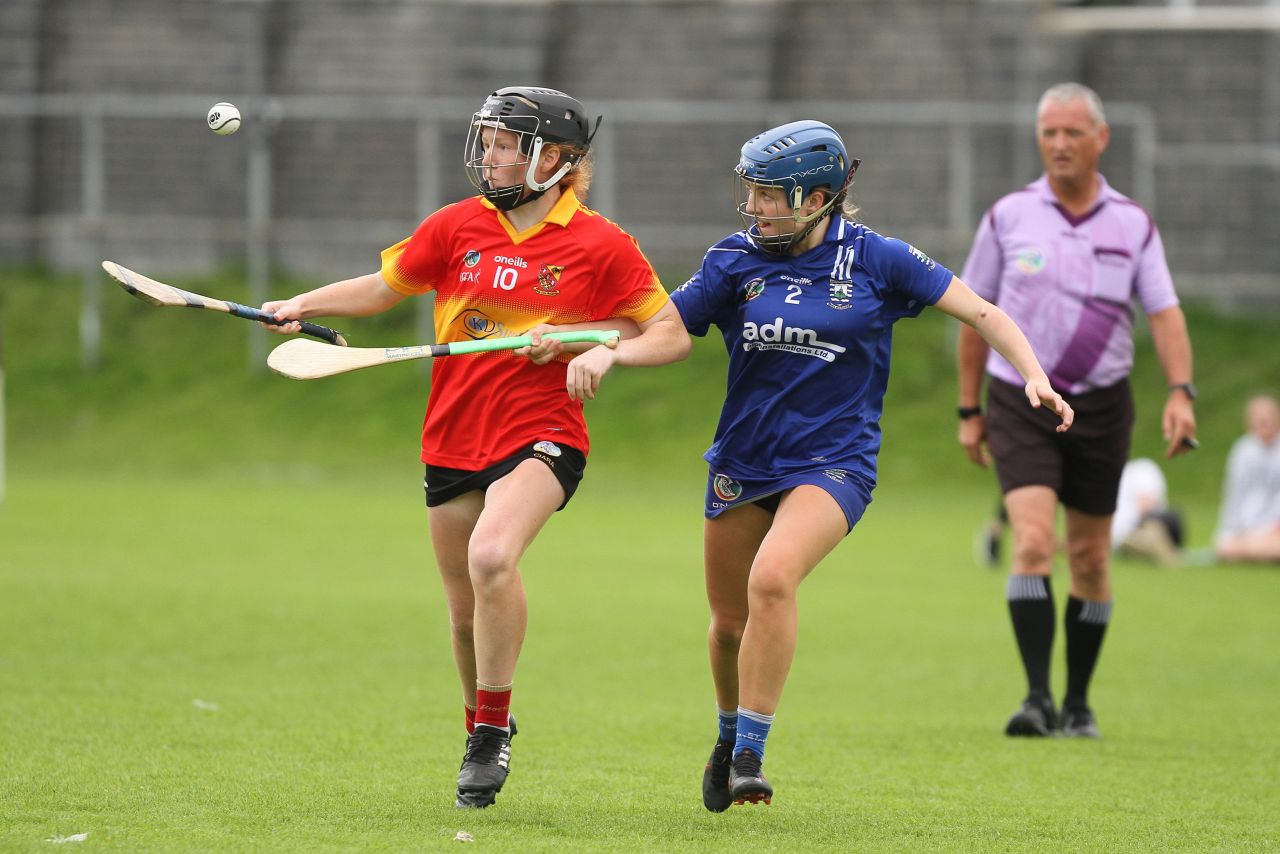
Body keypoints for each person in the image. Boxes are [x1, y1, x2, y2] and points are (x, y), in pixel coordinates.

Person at [260, 86, 690, 808]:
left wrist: (599, 348)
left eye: (504, 144)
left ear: (552, 159)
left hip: (544, 432)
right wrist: (304, 304)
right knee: (464, 615)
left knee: (493, 556)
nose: (487, 156)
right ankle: (482, 722)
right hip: (453, 434)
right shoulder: (456, 226)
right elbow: (380, 287)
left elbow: (669, 334)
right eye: (487, 141)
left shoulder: (600, 243)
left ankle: (491, 737)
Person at [670, 120, 1073, 811]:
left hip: (835, 462)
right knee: (729, 623)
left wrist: (1032, 374)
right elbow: (662, 326)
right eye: (753, 192)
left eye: (770, 194)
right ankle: (727, 730)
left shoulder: (878, 259)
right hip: (743, 459)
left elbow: (982, 312)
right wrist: (595, 342)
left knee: (774, 578)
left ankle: (750, 754)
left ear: (818, 196)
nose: (756, 206)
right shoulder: (733, 260)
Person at [956, 82, 1198, 740]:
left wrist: (1182, 392)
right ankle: (1036, 699)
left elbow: (1165, 313)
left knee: (1090, 556)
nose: (1059, 144)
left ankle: (1079, 703)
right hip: (1021, 397)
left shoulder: (1132, 223)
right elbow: (973, 314)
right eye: (1048, 133)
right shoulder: (1009, 216)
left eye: (1072, 133)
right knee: (1033, 541)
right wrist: (968, 408)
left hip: (1101, 406)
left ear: (1101, 139)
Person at [1215, 394, 1280, 562]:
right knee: (1225, 547)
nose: (1263, 424)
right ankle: (1256, 551)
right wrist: (1231, 531)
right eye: (1258, 420)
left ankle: (1255, 552)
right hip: (1247, 530)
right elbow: (1234, 495)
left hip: (1275, 529)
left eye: (1266, 419)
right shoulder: (1242, 451)